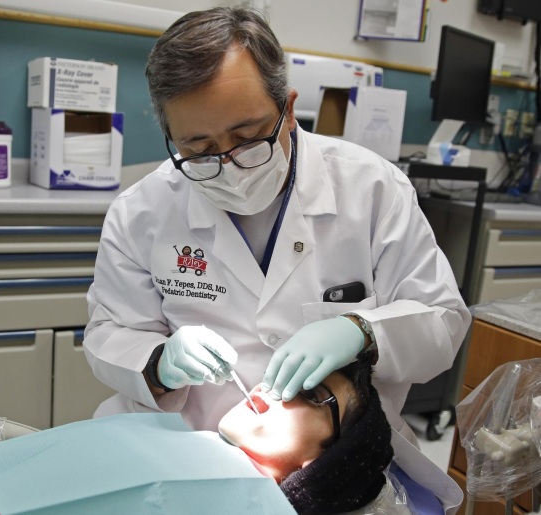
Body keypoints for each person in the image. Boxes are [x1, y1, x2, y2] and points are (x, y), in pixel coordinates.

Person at [82, 6, 471, 444]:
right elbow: (109, 333)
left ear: (287, 109)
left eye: (248, 138)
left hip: (337, 458)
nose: (229, 165)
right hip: (186, 447)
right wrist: (157, 362)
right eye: (199, 148)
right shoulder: (141, 211)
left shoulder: (372, 188)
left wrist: (361, 331)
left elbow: (442, 320)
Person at [0, 356, 458, 514]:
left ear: (323, 465)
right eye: (287, 373)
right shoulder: (182, 444)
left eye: (314, 396)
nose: (278, 389)